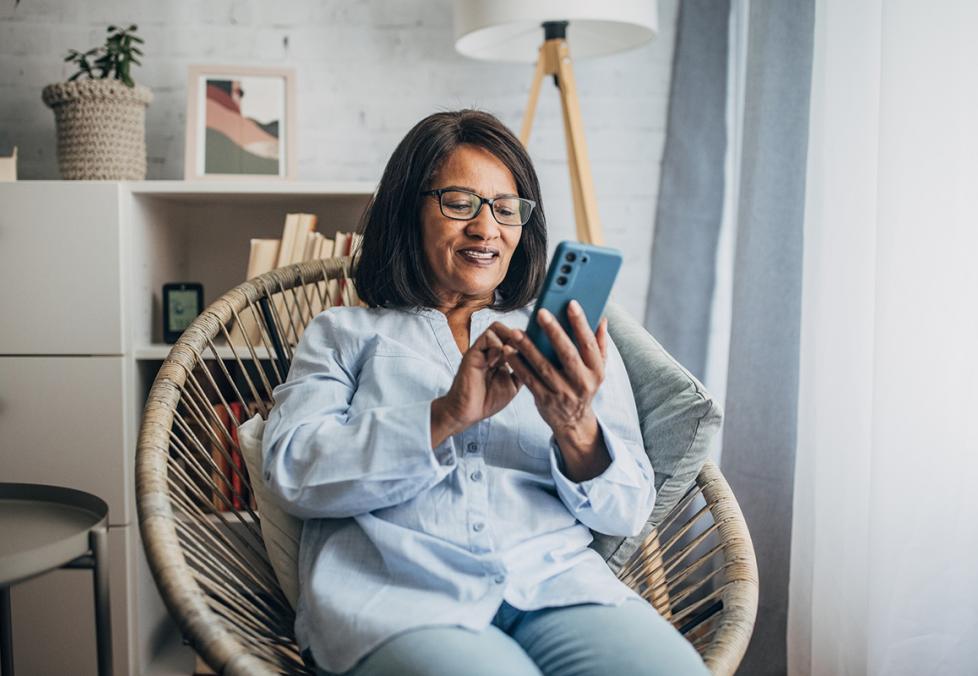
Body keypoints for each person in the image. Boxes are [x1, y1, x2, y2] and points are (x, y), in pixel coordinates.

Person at [261, 109, 709, 676]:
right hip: (400, 598)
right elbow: (295, 472)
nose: (486, 228)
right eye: (459, 203)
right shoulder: (344, 334)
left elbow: (627, 511)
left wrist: (575, 427)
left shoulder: (562, 338)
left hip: (554, 585)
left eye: (505, 208)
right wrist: (446, 415)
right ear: (407, 211)